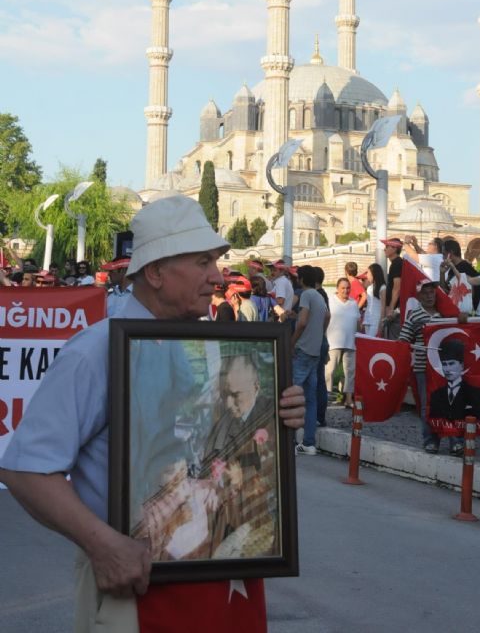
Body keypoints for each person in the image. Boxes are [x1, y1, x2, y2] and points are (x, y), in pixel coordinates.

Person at [0, 195, 304, 632]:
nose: (216, 277)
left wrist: (279, 419)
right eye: (202, 262)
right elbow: (25, 469)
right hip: (137, 591)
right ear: (157, 272)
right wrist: (103, 545)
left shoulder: (209, 350)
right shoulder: (95, 352)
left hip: (221, 575)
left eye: (215, 261)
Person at [201, 354, 277, 555]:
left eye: (235, 395)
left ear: (256, 387)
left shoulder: (272, 417)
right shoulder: (222, 422)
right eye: (225, 394)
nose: (228, 403)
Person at [398, 280, 447, 453]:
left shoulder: (445, 313)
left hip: (443, 368)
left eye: (432, 292)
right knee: (427, 405)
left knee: (447, 404)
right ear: (419, 296)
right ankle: (430, 440)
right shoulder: (414, 315)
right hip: (423, 367)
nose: (429, 296)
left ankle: (454, 439)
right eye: (425, 293)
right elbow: (403, 340)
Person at [291, 265, 330, 455]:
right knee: (310, 399)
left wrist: (292, 342)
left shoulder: (306, 295)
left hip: (302, 350)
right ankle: (308, 443)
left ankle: (288, 440)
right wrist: (320, 334)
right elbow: (327, 316)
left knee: (290, 395)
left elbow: (303, 322)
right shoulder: (320, 296)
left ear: (301, 279)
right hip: (315, 351)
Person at [429, 338, 480, 424]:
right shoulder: (435, 395)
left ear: (462, 365)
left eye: (451, 363)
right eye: (444, 364)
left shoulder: (478, 394)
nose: (447, 369)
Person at [326, 277, 361, 408]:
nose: (346, 290)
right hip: (332, 342)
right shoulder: (330, 300)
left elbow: (358, 322)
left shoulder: (353, 303)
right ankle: (326, 397)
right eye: (343, 288)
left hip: (351, 343)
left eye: (348, 288)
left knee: (350, 373)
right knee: (329, 371)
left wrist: (359, 336)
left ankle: (348, 399)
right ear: (337, 288)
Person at [440, 239, 480, 313]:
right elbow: (445, 290)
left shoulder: (465, 268)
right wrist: (442, 273)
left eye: (444, 254)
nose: (443, 257)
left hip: (465, 312)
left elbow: (472, 291)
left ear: (450, 253)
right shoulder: (452, 268)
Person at [313, 265, 330, 428]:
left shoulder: (317, 294)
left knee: (317, 381)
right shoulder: (323, 294)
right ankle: (320, 415)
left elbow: (326, 316)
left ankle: (318, 415)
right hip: (322, 339)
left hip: (317, 340)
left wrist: (320, 332)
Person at [362, 263, 386, 337]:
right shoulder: (369, 288)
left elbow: (383, 307)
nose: (367, 275)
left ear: (374, 273)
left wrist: (381, 324)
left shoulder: (383, 288)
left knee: (372, 342)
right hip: (367, 319)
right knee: (367, 342)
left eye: (368, 273)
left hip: (376, 320)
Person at [382, 237, 403, 317]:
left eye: (387, 247)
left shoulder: (396, 264)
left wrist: (391, 308)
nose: (384, 249)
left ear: (394, 249)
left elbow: (397, 288)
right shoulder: (396, 263)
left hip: (396, 310)